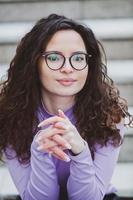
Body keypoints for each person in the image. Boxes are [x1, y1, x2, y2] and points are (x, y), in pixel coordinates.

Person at [0, 13, 132, 200]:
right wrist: (40, 152)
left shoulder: (109, 115)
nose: (68, 68)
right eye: (54, 58)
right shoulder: (10, 117)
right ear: (33, 63)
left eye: (78, 58)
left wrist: (80, 151)